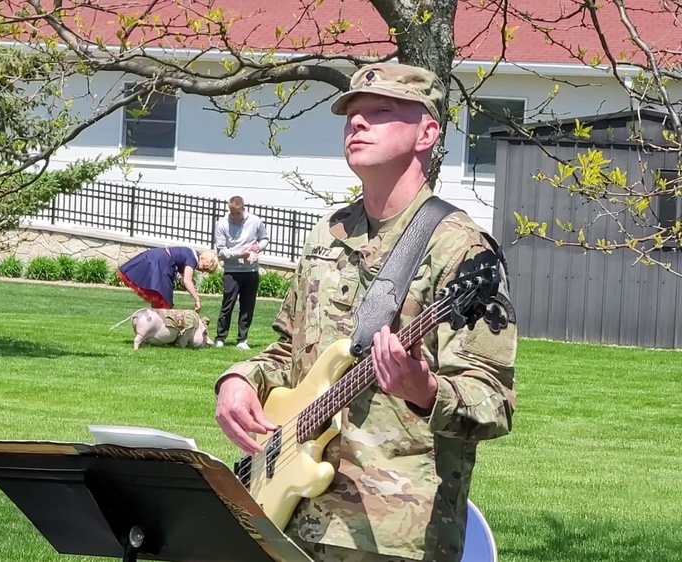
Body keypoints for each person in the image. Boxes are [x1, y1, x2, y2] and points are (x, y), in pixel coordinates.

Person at [213, 63, 517, 562]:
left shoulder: (461, 249)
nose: (357, 123)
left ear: (427, 133)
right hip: (288, 514)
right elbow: (289, 351)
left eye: (380, 111)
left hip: (393, 532)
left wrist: (424, 390)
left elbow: (494, 403)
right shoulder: (327, 233)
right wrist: (241, 379)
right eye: (352, 113)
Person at [214, 196, 270, 350]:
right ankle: (220, 337)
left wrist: (259, 247)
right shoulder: (222, 224)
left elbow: (265, 238)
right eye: (232, 213)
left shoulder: (255, 221)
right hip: (232, 271)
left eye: (237, 213)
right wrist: (240, 254)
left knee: (247, 305)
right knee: (228, 304)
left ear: (243, 209)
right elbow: (221, 251)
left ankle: (242, 339)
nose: (235, 216)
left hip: (251, 270)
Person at [117, 246, 219, 312]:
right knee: (164, 303)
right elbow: (187, 281)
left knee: (159, 298)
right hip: (162, 264)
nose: (202, 271)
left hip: (156, 256)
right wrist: (197, 299)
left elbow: (184, 277)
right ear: (203, 259)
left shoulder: (191, 253)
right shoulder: (193, 259)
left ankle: (154, 330)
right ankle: (160, 332)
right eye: (204, 269)